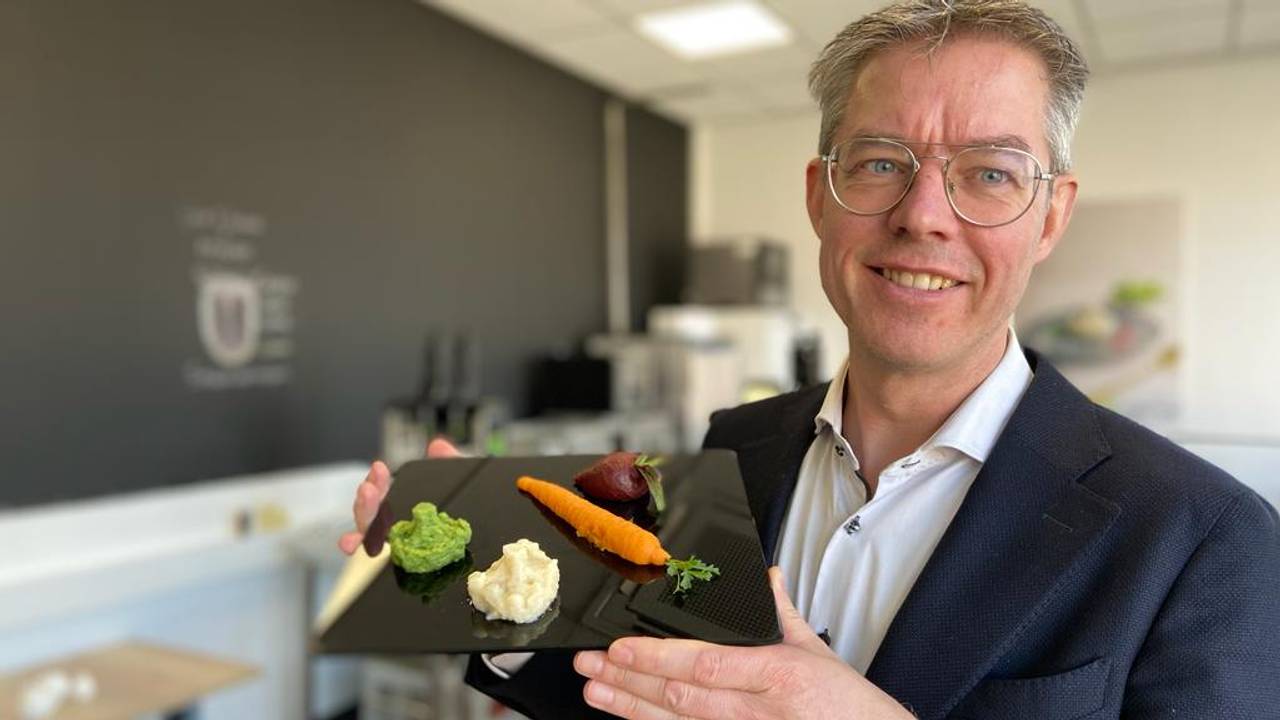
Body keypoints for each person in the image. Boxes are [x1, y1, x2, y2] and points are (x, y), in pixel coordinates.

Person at [341, 1, 1280, 717]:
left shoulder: (1202, 538)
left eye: (990, 174)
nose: (923, 214)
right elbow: (646, 689)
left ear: (1052, 216)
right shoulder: (735, 446)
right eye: (878, 161)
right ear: (819, 197)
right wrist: (485, 592)